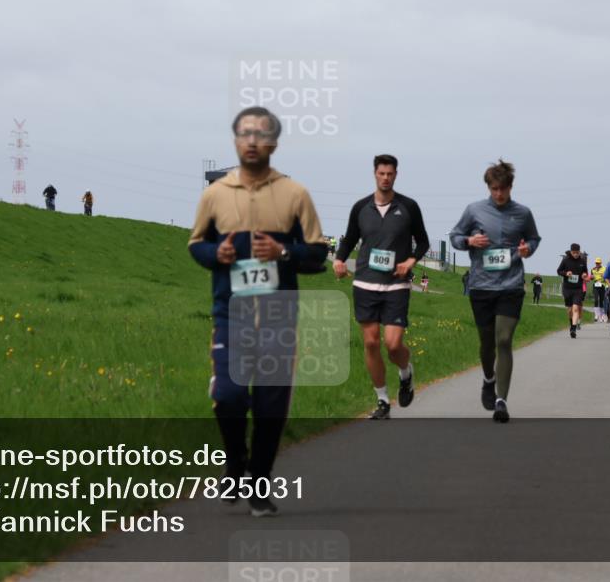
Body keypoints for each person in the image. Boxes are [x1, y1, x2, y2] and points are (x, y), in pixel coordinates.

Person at [188, 106, 327, 517]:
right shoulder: (214, 195)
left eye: (261, 135)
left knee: (270, 406)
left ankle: (259, 483)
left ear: (274, 144)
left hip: (279, 316)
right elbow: (196, 245)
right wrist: (217, 253)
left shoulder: (295, 194)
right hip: (231, 314)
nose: (252, 141)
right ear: (235, 141)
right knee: (228, 395)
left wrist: (284, 251)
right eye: (244, 134)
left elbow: (318, 253)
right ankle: (236, 462)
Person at [334, 154, 430, 420]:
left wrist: (410, 261)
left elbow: (423, 241)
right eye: (381, 173)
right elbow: (350, 238)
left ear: (396, 175)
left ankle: (405, 373)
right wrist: (339, 260)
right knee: (371, 342)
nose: (385, 178)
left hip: (396, 284)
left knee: (393, 344)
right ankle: (383, 400)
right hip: (365, 281)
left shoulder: (408, 207)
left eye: (390, 174)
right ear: (375, 174)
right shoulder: (361, 207)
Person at [450, 159, 540, 424]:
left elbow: (533, 238)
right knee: (487, 342)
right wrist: (470, 240)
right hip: (481, 285)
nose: (499, 194)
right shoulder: (474, 210)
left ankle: (502, 401)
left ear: (511, 187)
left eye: (503, 188)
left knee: (504, 339)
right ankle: (488, 379)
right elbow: (455, 236)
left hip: (511, 285)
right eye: (494, 189)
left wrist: (527, 249)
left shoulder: (523, 213)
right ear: (488, 188)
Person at [557, 243, 589, 338]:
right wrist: (566, 273)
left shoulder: (582, 261)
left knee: (576, 308)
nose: (576, 254)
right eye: (574, 252)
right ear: (571, 252)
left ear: (579, 252)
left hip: (578, 289)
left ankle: (574, 329)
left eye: (577, 252)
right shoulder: (565, 260)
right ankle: (571, 324)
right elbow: (559, 271)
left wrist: (584, 275)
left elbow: (585, 272)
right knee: (570, 310)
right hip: (567, 288)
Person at [590, 257, 607, 322]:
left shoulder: (604, 269)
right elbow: (591, 278)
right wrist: (591, 277)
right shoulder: (593, 269)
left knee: (601, 300)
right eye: (596, 263)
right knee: (596, 299)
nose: (597, 264)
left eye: (598, 263)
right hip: (595, 285)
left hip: (602, 285)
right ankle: (596, 315)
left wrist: (604, 276)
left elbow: (607, 277)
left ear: (600, 263)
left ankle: (601, 315)